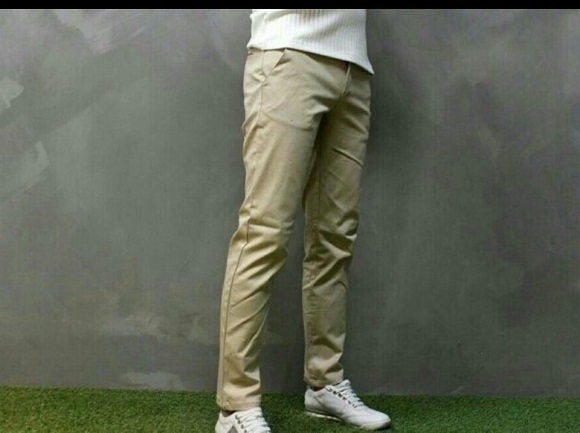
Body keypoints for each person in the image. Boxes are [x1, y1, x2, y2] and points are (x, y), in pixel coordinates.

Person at [215, 9, 391, 432]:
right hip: (287, 55)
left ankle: (324, 382)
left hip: (353, 67)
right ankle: (235, 406)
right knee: (264, 233)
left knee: (335, 238)